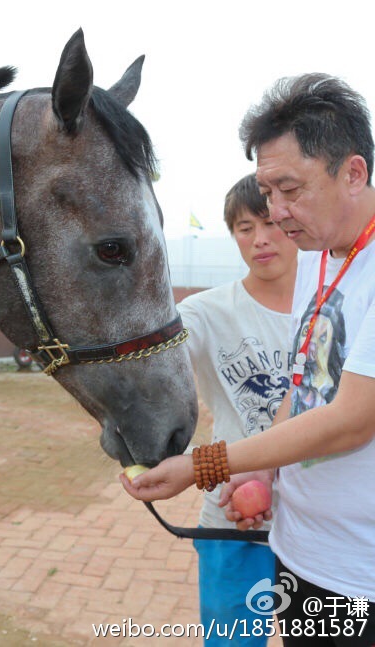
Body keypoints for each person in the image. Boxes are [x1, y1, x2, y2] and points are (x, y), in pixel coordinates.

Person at [122, 72, 375, 646]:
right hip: (300, 552)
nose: (278, 214)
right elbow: (306, 386)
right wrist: (258, 469)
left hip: (363, 575)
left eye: (291, 189)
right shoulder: (317, 253)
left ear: (353, 173)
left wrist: (205, 466)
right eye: (268, 194)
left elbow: (352, 418)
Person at [179, 173, 297, 646]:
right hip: (231, 517)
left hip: (317, 520)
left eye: (269, 222)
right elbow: (155, 357)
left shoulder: (331, 309)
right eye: (244, 228)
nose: (260, 239)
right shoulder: (206, 312)